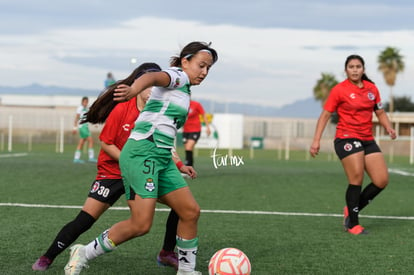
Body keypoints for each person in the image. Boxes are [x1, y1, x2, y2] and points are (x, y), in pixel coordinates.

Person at [64, 41, 218, 275]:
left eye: (209, 68)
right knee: (141, 224)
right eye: (201, 65)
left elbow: (164, 130)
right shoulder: (178, 76)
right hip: (140, 155)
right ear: (185, 61)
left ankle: (187, 271)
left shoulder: (184, 90)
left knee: (190, 212)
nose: (205, 72)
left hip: (161, 158)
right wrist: (134, 89)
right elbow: (153, 77)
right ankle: (83, 252)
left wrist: (178, 164)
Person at [32, 63, 196, 271]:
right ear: (138, 84)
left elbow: (161, 144)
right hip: (113, 172)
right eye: (148, 87)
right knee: (85, 219)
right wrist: (129, 162)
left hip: (144, 170)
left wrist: (179, 164)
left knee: (182, 207)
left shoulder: (157, 109)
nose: (152, 92)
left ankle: (166, 252)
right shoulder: (122, 109)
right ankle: (48, 256)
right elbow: (106, 143)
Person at [309, 54, 397, 235]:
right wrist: (316, 140)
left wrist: (389, 128)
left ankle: (351, 208)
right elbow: (325, 115)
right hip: (346, 137)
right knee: (356, 178)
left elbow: (379, 112)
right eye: (351, 67)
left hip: (367, 139)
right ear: (346, 70)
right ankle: (353, 224)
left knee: (381, 180)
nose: (355, 70)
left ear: (363, 69)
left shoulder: (372, 89)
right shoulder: (339, 90)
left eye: (358, 66)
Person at [182, 100, 211, 168]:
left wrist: (208, 127)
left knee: (188, 147)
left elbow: (203, 114)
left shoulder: (196, 104)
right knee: (187, 149)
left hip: (195, 129)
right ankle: (190, 167)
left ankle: (187, 167)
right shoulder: (182, 105)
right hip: (186, 130)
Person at [73, 96, 97, 163]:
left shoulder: (87, 109)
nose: (86, 103)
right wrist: (74, 128)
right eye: (85, 102)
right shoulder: (80, 108)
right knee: (91, 140)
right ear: (82, 102)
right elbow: (76, 118)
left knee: (81, 142)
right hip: (82, 127)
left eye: (87, 102)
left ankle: (76, 158)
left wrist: (94, 123)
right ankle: (91, 157)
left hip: (86, 127)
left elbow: (89, 118)